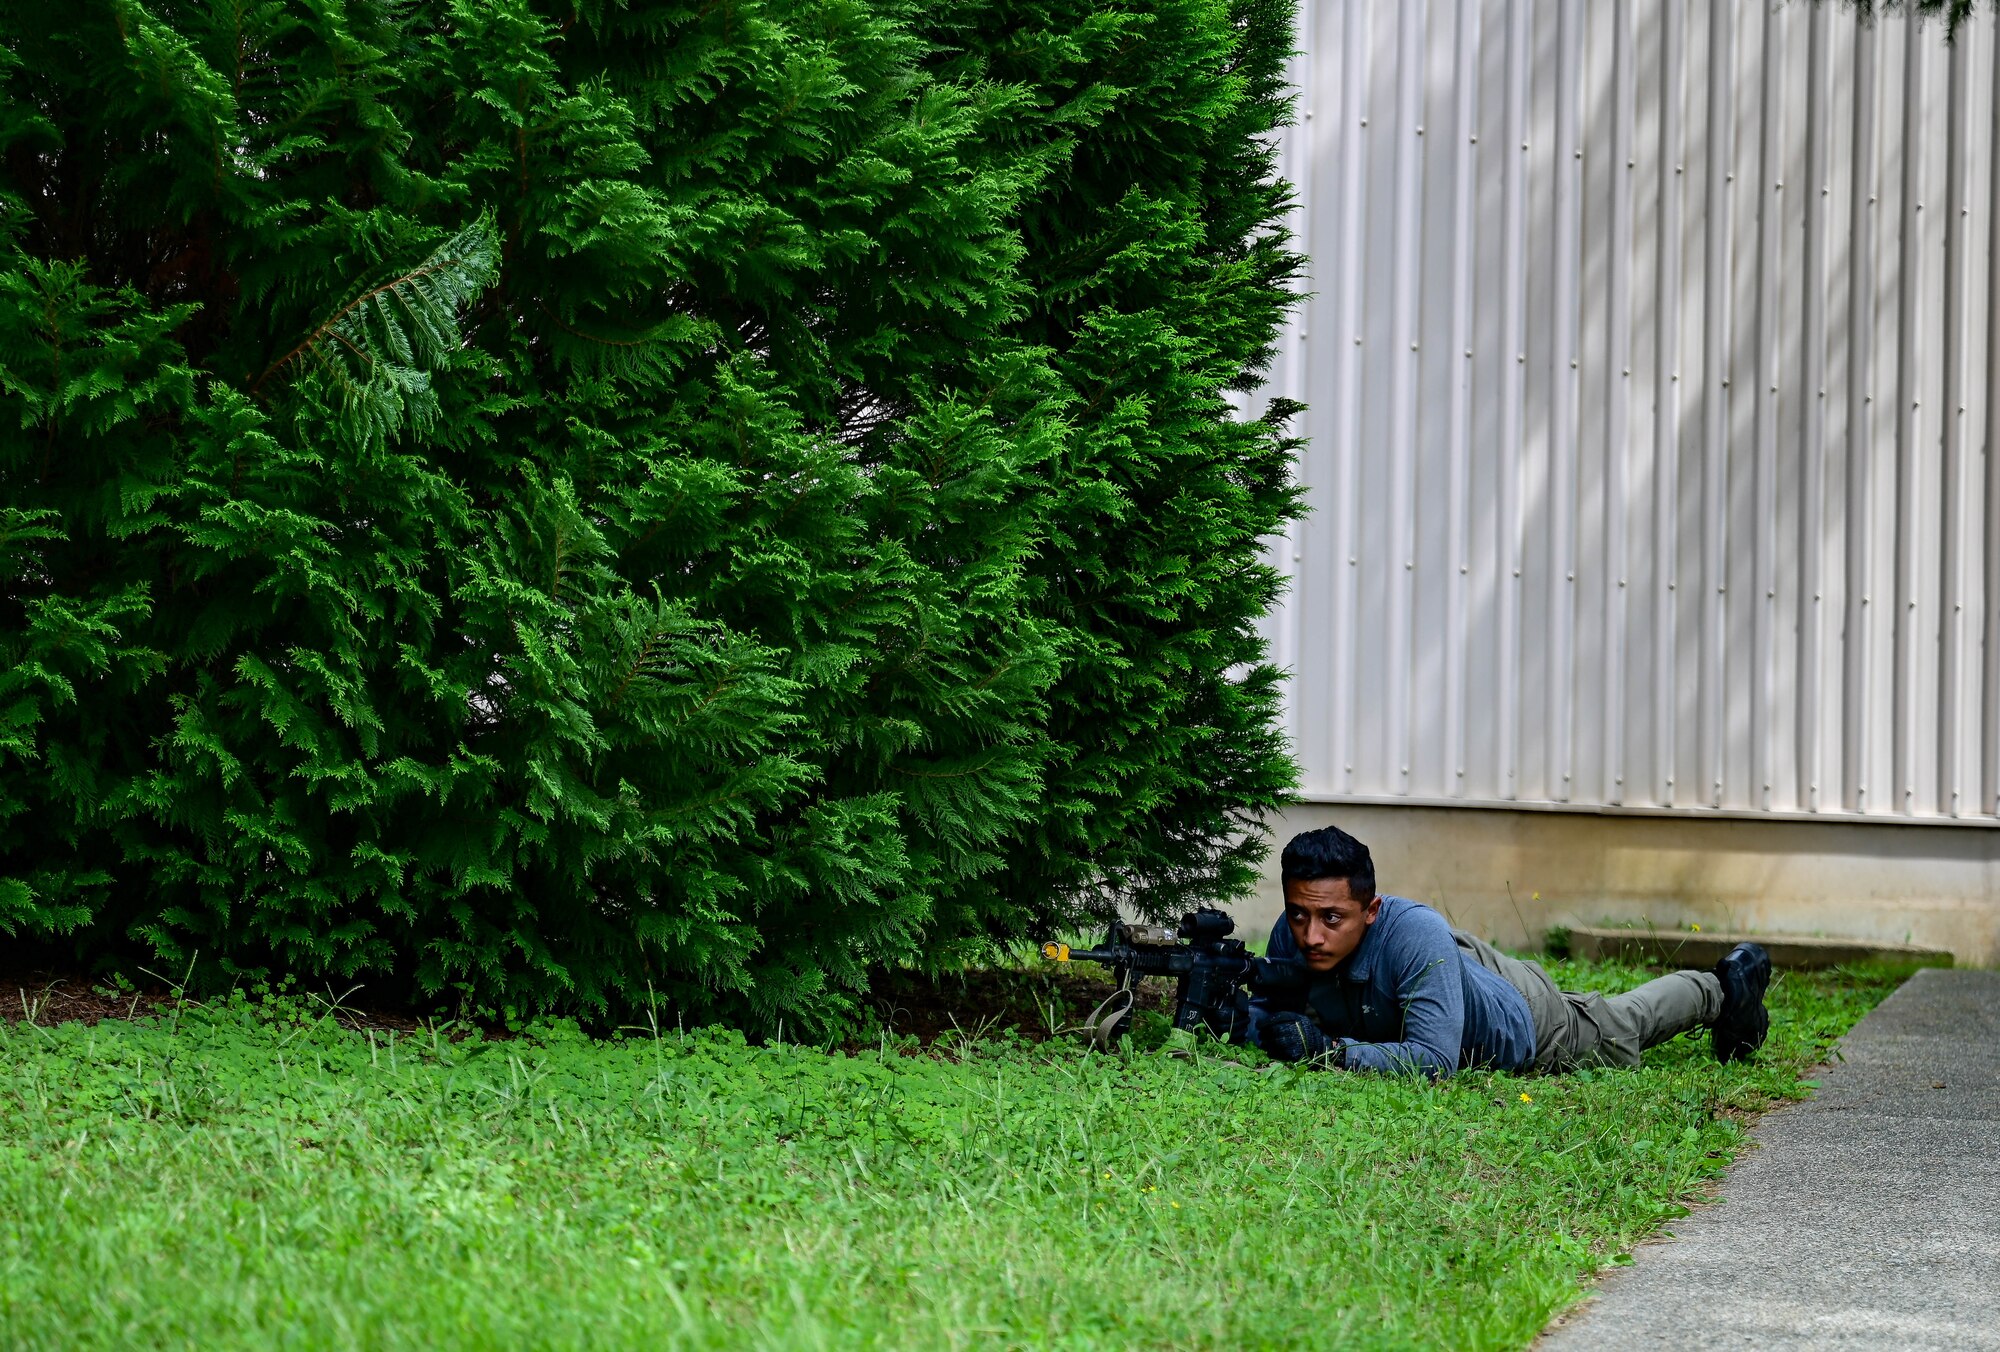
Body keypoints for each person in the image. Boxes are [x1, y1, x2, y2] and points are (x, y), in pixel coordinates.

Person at [1251, 824, 1771, 1076]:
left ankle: (1722, 988)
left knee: (1620, 1025)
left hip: (1526, 1016)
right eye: (1300, 914)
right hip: (1459, 973)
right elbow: (1269, 1016)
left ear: (1370, 910)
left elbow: (1434, 1060)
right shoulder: (1292, 931)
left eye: (1331, 918)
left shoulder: (1411, 934)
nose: (1311, 936)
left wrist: (1331, 1053)